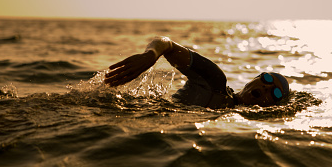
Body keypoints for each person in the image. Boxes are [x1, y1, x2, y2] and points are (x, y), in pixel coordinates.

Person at [105, 36, 290, 109]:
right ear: (254, 79)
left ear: (272, 106)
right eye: (267, 78)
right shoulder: (214, 80)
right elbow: (167, 44)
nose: (267, 87)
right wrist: (150, 55)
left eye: (275, 93)